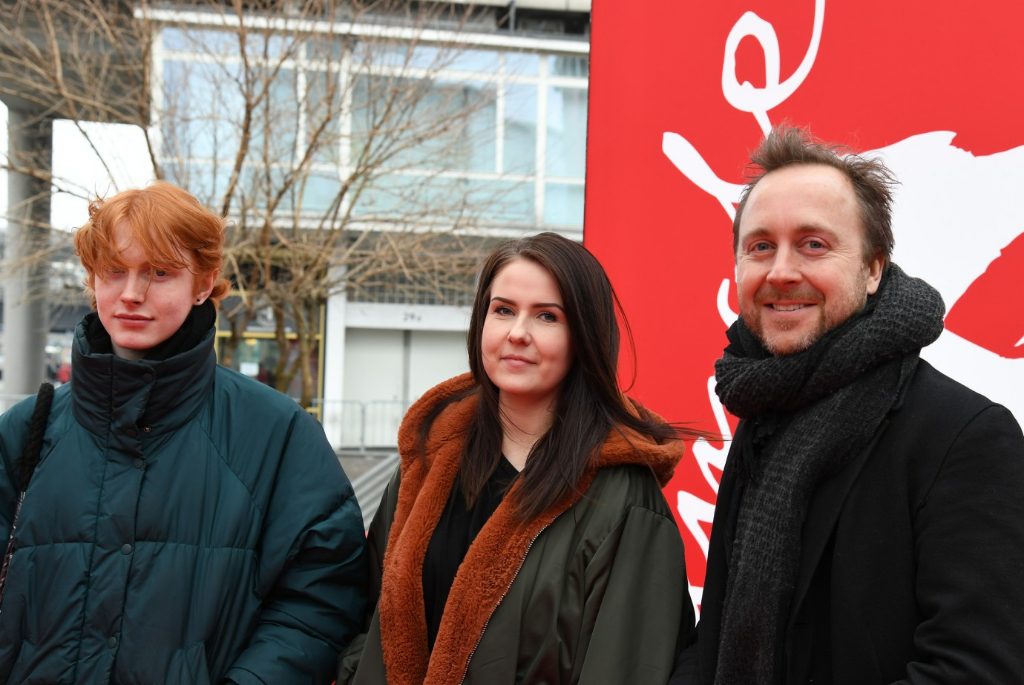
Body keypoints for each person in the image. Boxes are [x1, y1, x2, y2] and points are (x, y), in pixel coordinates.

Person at [671, 127, 1024, 684]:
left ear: (874, 269)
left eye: (813, 244)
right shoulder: (764, 417)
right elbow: (718, 639)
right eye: (760, 246)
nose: (781, 271)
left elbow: (976, 668)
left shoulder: (966, 437)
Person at [0, 181, 367, 684]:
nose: (131, 293)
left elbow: (322, 598)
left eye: (160, 272)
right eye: (114, 271)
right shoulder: (27, 431)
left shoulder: (277, 434)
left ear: (203, 283)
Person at [343, 232, 695, 684]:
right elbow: (370, 615)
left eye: (547, 316)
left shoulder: (624, 498)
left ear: (584, 336)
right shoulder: (431, 460)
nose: (517, 333)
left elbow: (628, 666)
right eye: (503, 310)